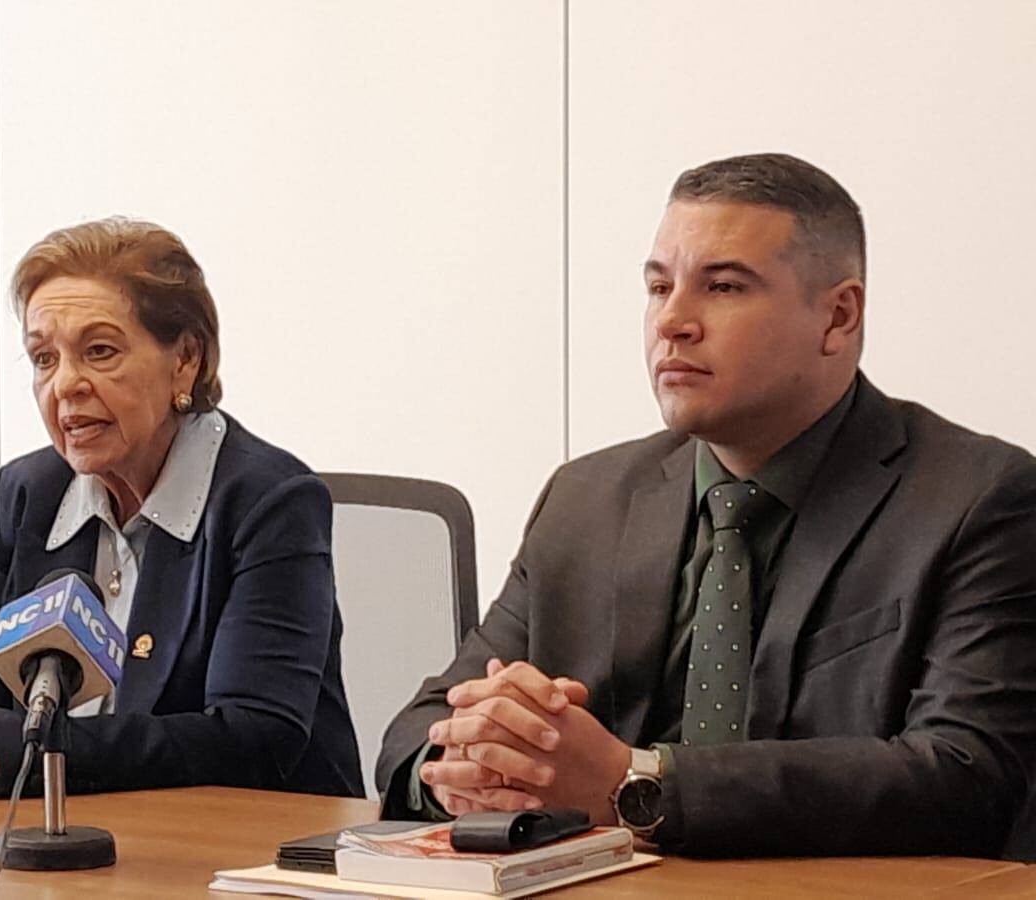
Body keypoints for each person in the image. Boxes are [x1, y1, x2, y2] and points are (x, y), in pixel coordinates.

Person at [378, 153, 1036, 857]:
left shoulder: (978, 498)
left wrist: (632, 782)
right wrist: (474, 765)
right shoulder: (586, 498)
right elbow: (420, 727)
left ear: (838, 316)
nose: (673, 321)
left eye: (722, 286)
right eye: (658, 287)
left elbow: (968, 774)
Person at [0, 218, 362, 797]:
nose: (66, 384)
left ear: (185, 360)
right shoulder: (25, 495)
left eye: (99, 352)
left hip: (246, 854)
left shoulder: (268, 500)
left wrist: (16, 748)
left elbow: (253, 740)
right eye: (44, 359)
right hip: (68, 849)